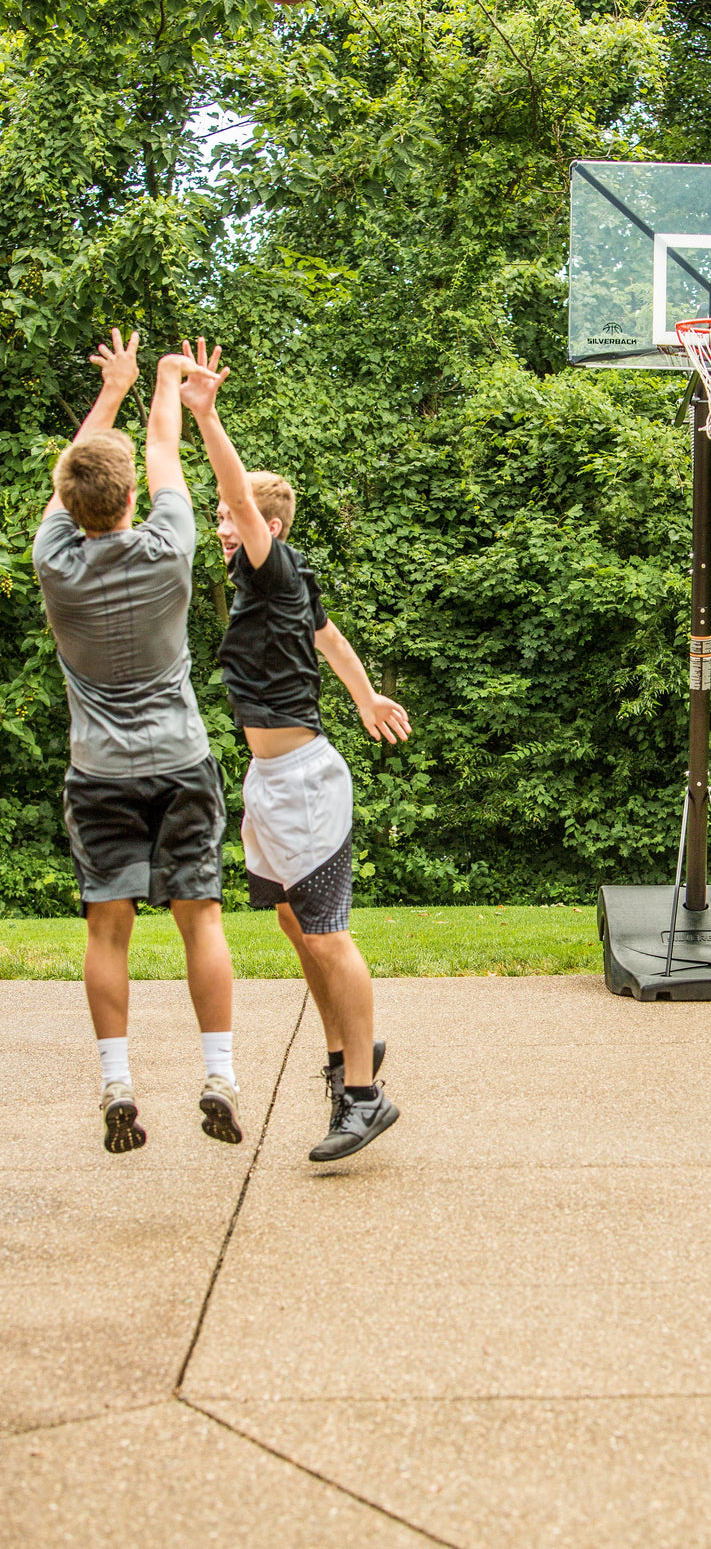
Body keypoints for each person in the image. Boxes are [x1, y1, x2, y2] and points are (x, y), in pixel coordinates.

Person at [178, 338, 410, 1163]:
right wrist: (365, 695)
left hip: (304, 780)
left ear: (266, 526)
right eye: (219, 520)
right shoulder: (280, 582)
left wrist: (207, 416)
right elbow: (329, 636)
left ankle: (364, 1097)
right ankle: (349, 1051)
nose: (222, 527)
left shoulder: (270, 564)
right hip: (270, 780)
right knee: (290, 919)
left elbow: (237, 494)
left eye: (231, 518)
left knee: (327, 934)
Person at [33, 331, 241, 1153]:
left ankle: (117, 1082)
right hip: (180, 760)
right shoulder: (171, 545)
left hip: (99, 772)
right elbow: (162, 449)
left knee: (106, 929)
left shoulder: (55, 563)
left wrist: (110, 388)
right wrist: (162, 382)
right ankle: (219, 1074)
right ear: (129, 501)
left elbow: (76, 475)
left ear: (72, 501)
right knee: (201, 917)